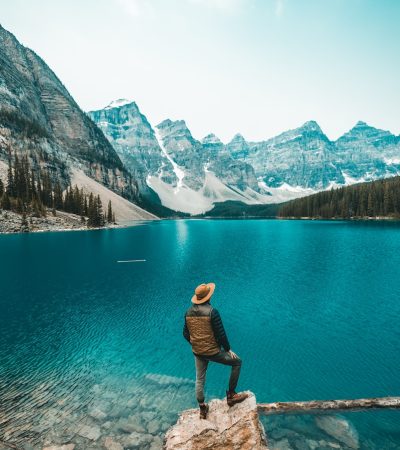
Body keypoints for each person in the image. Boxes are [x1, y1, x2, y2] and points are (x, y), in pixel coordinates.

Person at [183, 282, 248, 419]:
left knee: (199, 379)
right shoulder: (212, 312)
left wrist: (196, 343)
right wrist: (228, 349)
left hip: (197, 352)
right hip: (213, 352)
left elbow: (185, 334)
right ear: (208, 297)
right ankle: (231, 395)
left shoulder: (188, 312)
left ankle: (202, 409)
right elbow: (221, 334)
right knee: (237, 362)